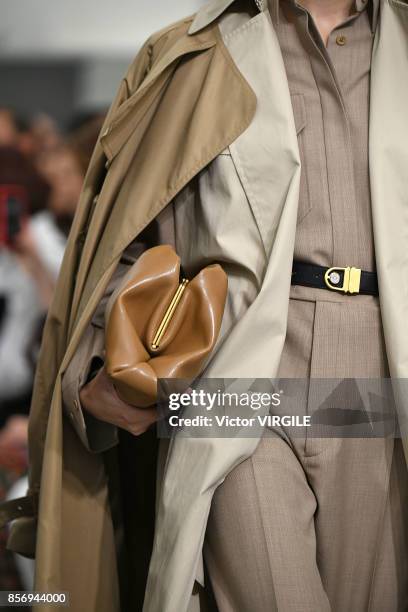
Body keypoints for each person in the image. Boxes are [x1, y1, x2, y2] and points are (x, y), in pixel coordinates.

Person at [2, 0, 408, 610]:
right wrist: (109, 346)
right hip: (236, 360)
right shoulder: (191, 54)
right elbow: (124, 232)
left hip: (381, 367)